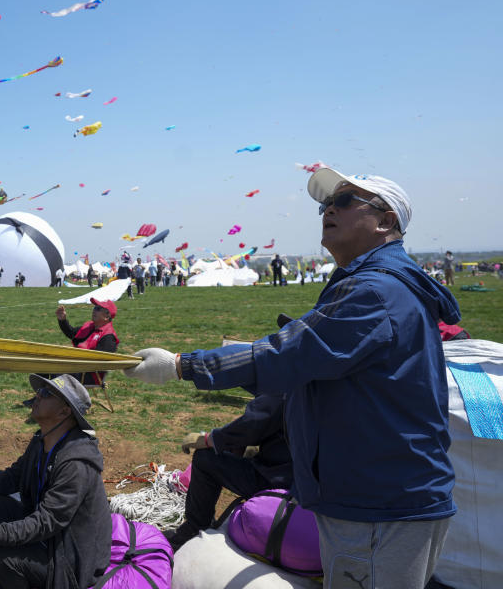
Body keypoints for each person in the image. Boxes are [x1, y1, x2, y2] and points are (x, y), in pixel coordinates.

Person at [124, 168, 461, 589]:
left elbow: (287, 356)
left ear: (385, 221)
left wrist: (181, 365)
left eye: (343, 202)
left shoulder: (373, 293)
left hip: (377, 502)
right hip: (379, 493)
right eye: (325, 205)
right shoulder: (378, 286)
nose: (328, 211)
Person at [0, 374, 111, 589]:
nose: (37, 396)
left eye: (46, 394)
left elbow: (48, 521)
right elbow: (11, 479)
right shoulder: (41, 441)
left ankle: (10, 573)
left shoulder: (76, 463)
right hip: (51, 539)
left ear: (65, 411)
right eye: (40, 391)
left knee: (1, 557)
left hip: (70, 559)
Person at [163, 393, 291, 551]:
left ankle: (194, 529)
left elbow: (254, 423)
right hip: (309, 485)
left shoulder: (286, 386)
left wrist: (210, 439)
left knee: (205, 458)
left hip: (276, 482)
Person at [55, 299, 119, 387]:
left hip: (90, 374)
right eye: (95, 307)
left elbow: (101, 361)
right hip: (77, 367)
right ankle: (41, 398)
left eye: (98, 308)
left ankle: (51, 397)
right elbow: (72, 333)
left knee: (56, 371)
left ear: (107, 316)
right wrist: (62, 320)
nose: (94, 310)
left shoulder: (109, 337)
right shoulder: (90, 327)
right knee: (44, 369)